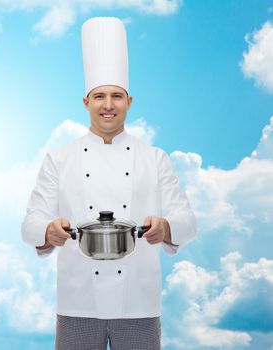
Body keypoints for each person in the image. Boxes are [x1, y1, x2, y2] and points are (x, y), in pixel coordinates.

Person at [22, 17, 196, 350]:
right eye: (99, 96)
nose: (108, 105)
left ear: (129, 102)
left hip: (139, 303)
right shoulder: (60, 159)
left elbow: (188, 222)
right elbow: (29, 222)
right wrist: (47, 230)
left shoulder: (154, 158)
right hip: (77, 302)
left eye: (116, 96)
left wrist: (166, 226)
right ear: (86, 102)